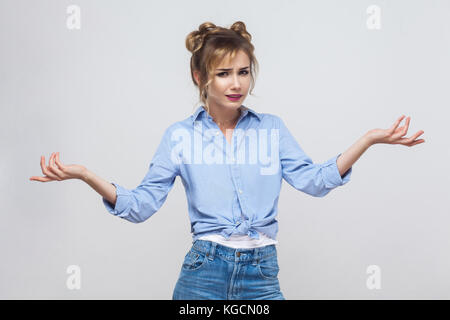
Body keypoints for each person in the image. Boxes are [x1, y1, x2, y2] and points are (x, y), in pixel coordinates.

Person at [29, 21, 425, 300]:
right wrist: (83, 174)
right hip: (204, 270)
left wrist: (370, 139)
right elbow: (140, 206)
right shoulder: (179, 136)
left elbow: (314, 181)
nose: (236, 84)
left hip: (261, 270)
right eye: (223, 74)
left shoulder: (271, 128)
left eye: (243, 72)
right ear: (200, 77)